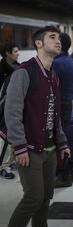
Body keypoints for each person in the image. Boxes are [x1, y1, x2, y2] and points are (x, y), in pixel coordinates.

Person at [0, 25, 70, 227]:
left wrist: (62, 142)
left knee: (45, 196)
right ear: (39, 43)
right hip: (29, 148)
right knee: (33, 197)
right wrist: (19, 146)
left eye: (59, 37)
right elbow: (12, 112)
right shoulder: (24, 72)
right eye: (52, 37)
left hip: (49, 147)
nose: (58, 40)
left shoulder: (53, 75)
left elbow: (55, 114)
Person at [52, 32, 73, 187]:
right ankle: (70, 171)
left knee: (57, 141)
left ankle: (63, 175)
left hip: (59, 105)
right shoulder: (70, 61)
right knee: (62, 139)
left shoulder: (56, 63)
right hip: (67, 104)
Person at [0, 42, 20, 179]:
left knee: (11, 136)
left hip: (13, 107)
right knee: (3, 137)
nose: (18, 53)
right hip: (3, 107)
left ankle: (10, 161)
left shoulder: (17, 67)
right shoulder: (1, 69)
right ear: (7, 53)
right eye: (15, 51)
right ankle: (2, 166)